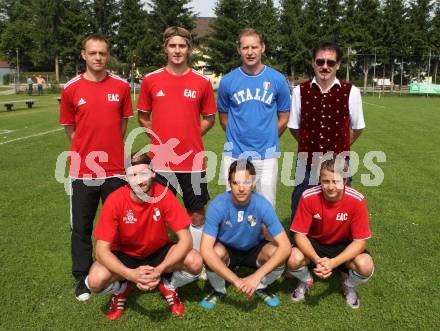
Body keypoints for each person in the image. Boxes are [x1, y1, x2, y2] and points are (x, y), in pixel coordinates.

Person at [59, 34, 133, 301]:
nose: (98, 58)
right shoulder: (71, 88)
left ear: (108, 54)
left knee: (118, 226)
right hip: (83, 170)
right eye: (93, 53)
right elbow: (71, 130)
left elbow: (121, 127)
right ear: (84, 55)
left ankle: (121, 272)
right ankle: (82, 277)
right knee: (81, 226)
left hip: (114, 169)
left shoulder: (122, 87)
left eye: (102, 53)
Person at [85, 153, 202, 319]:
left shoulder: (164, 195)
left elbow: (186, 240)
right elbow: (101, 251)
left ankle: (169, 286)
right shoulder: (114, 200)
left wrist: (160, 270)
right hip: (125, 255)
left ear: (153, 173)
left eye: (144, 173)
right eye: (133, 175)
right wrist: (129, 274)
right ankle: (122, 290)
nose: (139, 180)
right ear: (125, 178)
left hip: (158, 252)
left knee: (195, 262)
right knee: (95, 281)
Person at [137, 26, 217, 250]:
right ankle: (162, 256)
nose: (177, 50)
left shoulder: (201, 82)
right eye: (172, 45)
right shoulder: (151, 80)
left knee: (197, 212)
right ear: (165, 49)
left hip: (192, 161)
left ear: (189, 49)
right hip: (161, 163)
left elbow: (209, 118)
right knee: (159, 212)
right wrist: (160, 139)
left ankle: (198, 256)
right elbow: (142, 117)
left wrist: (190, 133)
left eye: (182, 46)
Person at [287, 40, 365, 220]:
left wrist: (342, 144)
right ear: (313, 63)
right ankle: (296, 243)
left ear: (337, 65)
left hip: (339, 164)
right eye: (320, 61)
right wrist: (308, 144)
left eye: (330, 62)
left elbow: (358, 127)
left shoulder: (351, 92)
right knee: (301, 208)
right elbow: (294, 127)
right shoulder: (300, 91)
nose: (325, 66)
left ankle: (339, 244)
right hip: (307, 162)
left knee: (341, 211)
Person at [199, 160, 291, 309]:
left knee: (277, 253)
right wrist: (237, 281)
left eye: (246, 182)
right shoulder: (217, 205)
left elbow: (286, 247)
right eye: (236, 183)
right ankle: (218, 290)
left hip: (254, 248)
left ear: (253, 183)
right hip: (227, 249)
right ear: (229, 183)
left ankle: (260, 286)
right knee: (214, 253)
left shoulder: (262, 205)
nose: (241, 188)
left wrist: (256, 277)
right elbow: (205, 250)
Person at [287, 157, 374, 309]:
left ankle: (348, 285)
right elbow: (299, 234)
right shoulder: (308, 196)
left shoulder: (357, 200)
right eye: (326, 181)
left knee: (365, 265)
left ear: (345, 180)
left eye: (336, 181)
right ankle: (306, 280)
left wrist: (333, 263)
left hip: (343, 246)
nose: (331, 187)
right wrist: (316, 258)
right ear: (319, 179)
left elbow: (360, 241)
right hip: (315, 245)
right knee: (292, 259)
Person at [217, 28, 291, 207]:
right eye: (245, 47)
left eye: (254, 47)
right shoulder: (227, 81)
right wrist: (239, 137)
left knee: (266, 205)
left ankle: (265, 237)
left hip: (267, 155)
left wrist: (269, 137)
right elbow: (223, 118)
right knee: (233, 205)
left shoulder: (278, 80)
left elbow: (284, 117)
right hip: (235, 154)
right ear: (239, 50)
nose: (250, 52)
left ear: (263, 48)